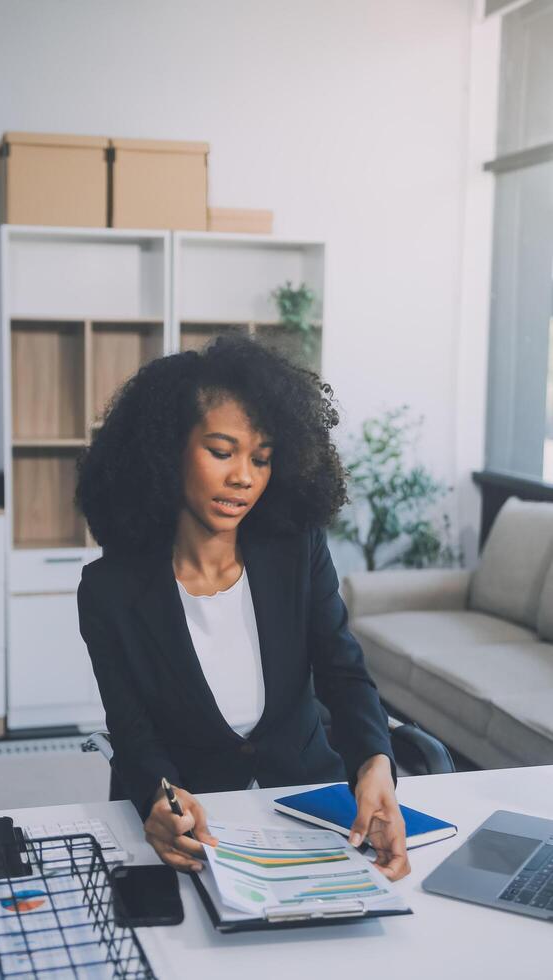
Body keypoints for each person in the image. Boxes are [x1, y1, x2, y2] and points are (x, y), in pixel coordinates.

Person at [76, 333, 410, 882]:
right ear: (168, 450)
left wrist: (376, 763)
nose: (244, 477)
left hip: (312, 809)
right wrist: (163, 800)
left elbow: (344, 673)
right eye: (221, 451)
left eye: (262, 458)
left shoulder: (296, 552)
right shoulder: (109, 590)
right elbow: (133, 737)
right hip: (197, 828)